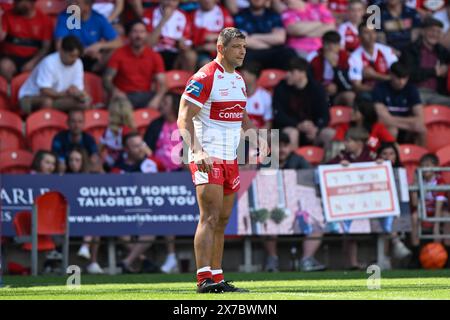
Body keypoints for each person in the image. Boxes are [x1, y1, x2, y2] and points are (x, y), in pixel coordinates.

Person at [177, 27, 269, 293]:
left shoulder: (238, 79)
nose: (242, 51)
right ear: (221, 48)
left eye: (244, 47)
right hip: (207, 157)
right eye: (237, 47)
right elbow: (184, 117)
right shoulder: (204, 77)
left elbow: (242, 117)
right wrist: (196, 151)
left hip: (231, 158)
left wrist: (258, 138)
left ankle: (217, 278)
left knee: (223, 220)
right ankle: (203, 279)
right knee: (209, 217)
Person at [261, 132, 326, 272]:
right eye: (279, 146)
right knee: (266, 221)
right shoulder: (266, 162)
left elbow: (309, 180)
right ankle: (272, 260)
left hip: (299, 208)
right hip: (275, 208)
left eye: (285, 146)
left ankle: (306, 260)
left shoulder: (299, 160)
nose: (282, 150)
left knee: (317, 222)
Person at [112, 132, 166, 274]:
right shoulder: (118, 168)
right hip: (125, 211)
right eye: (135, 146)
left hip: (149, 210)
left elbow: (167, 177)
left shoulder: (153, 163)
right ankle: (143, 260)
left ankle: (127, 261)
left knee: (151, 230)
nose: (140, 148)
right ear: (127, 150)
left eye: (141, 144)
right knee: (118, 230)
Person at [328, 126, 375, 269]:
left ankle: (381, 259)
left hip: (369, 202)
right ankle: (352, 263)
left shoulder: (371, 156)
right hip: (348, 202)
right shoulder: (342, 157)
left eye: (349, 141)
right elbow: (326, 167)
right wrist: (338, 166)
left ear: (359, 142)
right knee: (349, 229)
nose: (346, 144)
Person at [18, 36, 91, 115]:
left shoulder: (78, 62)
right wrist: (65, 94)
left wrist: (78, 94)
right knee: (47, 102)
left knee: (85, 102)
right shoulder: (49, 62)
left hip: (57, 98)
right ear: (62, 51)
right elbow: (44, 90)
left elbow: (76, 87)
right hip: (29, 97)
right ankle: (39, 123)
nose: (74, 59)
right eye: (71, 56)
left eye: (76, 56)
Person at [103, 19, 167, 109]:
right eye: (135, 32)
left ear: (146, 35)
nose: (138, 36)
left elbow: (163, 84)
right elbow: (106, 80)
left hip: (147, 96)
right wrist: (116, 92)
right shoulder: (118, 54)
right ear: (128, 35)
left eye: (142, 32)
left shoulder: (154, 56)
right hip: (124, 96)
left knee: (168, 103)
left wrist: (157, 99)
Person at [272, 57, 331, 148]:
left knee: (328, 134)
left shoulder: (317, 89)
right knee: (292, 133)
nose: (287, 75)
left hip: (312, 130)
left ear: (303, 72)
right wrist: (298, 125)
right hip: (291, 127)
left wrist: (316, 128)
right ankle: (292, 162)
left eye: (291, 72)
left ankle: (329, 162)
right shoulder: (281, 88)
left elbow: (325, 115)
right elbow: (279, 115)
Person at [65, 146, 105, 274]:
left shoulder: (90, 178)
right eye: (71, 160)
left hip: (86, 219)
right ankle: (87, 251)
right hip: (68, 218)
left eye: (77, 160)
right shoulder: (62, 177)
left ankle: (91, 259)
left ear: (83, 162)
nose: (73, 163)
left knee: (95, 222)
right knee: (93, 221)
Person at [54, 0, 123, 72]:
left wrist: (99, 46)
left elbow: (119, 42)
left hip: (92, 60)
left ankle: (98, 76)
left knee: (115, 51)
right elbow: (59, 46)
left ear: (87, 6)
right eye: (72, 1)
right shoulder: (65, 17)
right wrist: (85, 51)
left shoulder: (99, 19)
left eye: (77, 3)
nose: (72, 4)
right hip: (72, 57)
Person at [375, 142, 412, 268]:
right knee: (386, 216)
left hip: (397, 210)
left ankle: (385, 259)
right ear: (378, 156)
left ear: (396, 156)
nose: (388, 156)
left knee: (390, 217)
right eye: (384, 154)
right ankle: (396, 243)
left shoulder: (401, 172)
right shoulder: (372, 170)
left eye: (391, 154)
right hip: (376, 209)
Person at [410, 153, 450, 268]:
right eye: (423, 165)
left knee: (447, 217)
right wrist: (415, 184)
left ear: (435, 167)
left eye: (428, 165)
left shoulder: (440, 181)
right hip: (423, 210)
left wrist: (436, 226)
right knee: (414, 217)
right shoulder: (420, 181)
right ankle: (416, 255)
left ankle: (447, 253)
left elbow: (439, 205)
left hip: (437, 210)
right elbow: (414, 203)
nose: (425, 168)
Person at [372, 62, 426, 146]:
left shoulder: (412, 89)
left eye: (405, 78)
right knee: (392, 130)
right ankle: (392, 156)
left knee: (421, 129)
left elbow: (420, 119)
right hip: (392, 127)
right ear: (391, 75)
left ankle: (420, 155)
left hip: (405, 128)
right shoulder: (380, 88)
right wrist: (409, 123)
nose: (402, 82)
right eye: (398, 78)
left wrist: (391, 119)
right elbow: (382, 119)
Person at [400, 17, 450, 106]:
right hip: (415, 92)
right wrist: (434, 71)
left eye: (438, 32)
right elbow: (409, 74)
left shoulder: (444, 53)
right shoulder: (410, 50)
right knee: (418, 103)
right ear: (423, 32)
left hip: (437, 95)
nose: (435, 34)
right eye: (431, 30)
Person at [233, 0, 296, 70]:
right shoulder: (240, 16)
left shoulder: (273, 15)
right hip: (252, 52)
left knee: (289, 53)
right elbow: (244, 40)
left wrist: (254, 36)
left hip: (273, 53)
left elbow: (280, 38)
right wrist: (270, 43)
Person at [0, 0, 53, 81]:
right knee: (5, 66)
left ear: (31, 3)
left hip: (33, 57)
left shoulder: (45, 20)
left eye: (19, 2)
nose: (15, 3)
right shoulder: (7, 15)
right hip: (10, 57)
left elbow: (45, 48)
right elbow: (1, 37)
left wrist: (33, 62)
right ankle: (9, 91)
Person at [348, 20, 398, 100]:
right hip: (369, 94)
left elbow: (397, 78)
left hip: (390, 91)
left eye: (373, 32)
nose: (371, 36)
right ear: (359, 37)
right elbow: (357, 86)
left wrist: (375, 75)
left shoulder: (386, 51)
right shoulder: (354, 57)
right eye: (366, 33)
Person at [143, 0, 197, 72]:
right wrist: (164, 19)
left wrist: (182, 44)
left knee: (190, 56)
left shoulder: (183, 15)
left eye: (174, 1)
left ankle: (187, 82)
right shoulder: (149, 13)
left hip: (176, 54)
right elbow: (148, 44)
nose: (170, 3)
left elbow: (187, 44)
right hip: (155, 52)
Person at [308, 30, 354, 106]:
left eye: (335, 44)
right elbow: (310, 81)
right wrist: (323, 87)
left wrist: (335, 67)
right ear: (322, 45)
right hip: (319, 92)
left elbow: (347, 86)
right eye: (328, 44)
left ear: (339, 46)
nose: (331, 47)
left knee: (350, 96)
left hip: (338, 94)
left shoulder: (346, 58)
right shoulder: (314, 58)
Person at [52, 108, 102, 174]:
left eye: (80, 122)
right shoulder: (59, 137)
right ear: (68, 123)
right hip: (64, 171)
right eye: (73, 121)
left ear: (84, 123)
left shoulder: (89, 139)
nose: (76, 125)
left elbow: (94, 156)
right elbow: (56, 157)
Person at [144, 93, 184, 172]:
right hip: (157, 170)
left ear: (174, 106)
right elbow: (147, 146)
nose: (161, 105)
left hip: (181, 171)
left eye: (165, 103)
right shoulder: (155, 124)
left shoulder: (184, 125)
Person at [191, 0, 235, 66]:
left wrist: (216, 38)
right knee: (206, 64)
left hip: (221, 51)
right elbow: (190, 38)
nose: (207, 1)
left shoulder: (224, 13)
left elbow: (231, 37)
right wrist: (203, 46)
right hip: (201, 52)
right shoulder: (192, 15)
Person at [99, 97, 136, 171]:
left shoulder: (107, 131)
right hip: (125, 167)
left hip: (112, 166)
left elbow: (99, 149)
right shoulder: (130, 131)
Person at [239, 61, 273, 130]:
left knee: (273, 136)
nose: (240, 76)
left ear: (253, 76)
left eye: (243, 74)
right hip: (240, 134)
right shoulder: (235, 94)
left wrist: (258, 135)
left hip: (259, 135)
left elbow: (268, 124)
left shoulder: (265, 96)